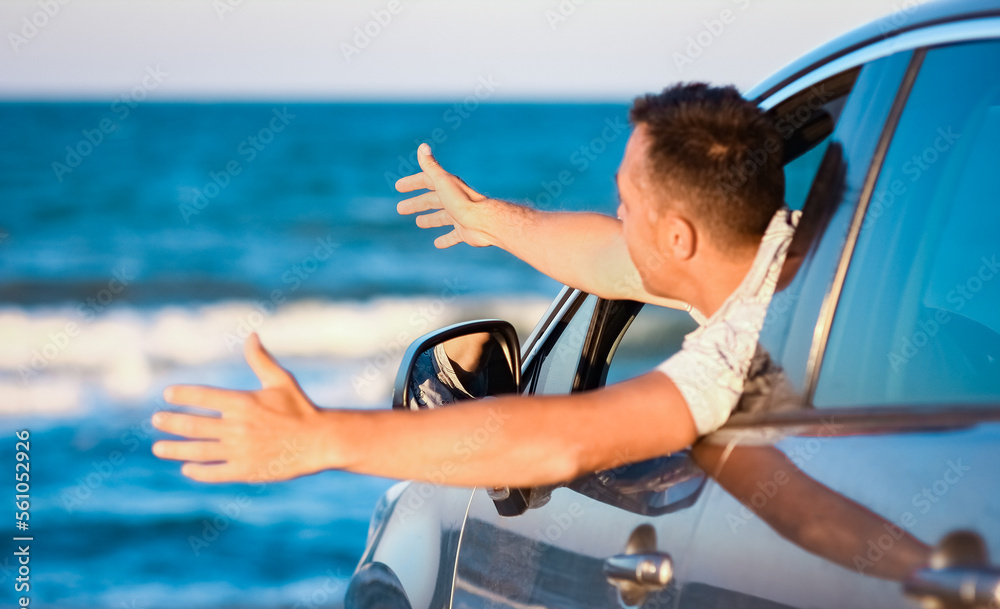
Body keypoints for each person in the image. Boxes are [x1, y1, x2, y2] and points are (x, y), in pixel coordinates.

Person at [150, 83, 796, 488]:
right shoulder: (801, 256)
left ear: (680, 237)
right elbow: (607, 257)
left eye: (627, 200)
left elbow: (559, 440)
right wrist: (487, 219)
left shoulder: (744, 352)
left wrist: (321, 437)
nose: (617, 214)